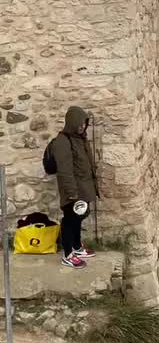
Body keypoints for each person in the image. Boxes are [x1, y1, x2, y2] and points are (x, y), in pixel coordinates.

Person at [49, 107, 98, 269]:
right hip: (73, 190)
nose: (82, 126)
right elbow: (64, 170)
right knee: (70, 220)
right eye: (80, 123)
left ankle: (77, 247)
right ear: (72, 122)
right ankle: (68, 254)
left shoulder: (79, 138)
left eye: (84, 123)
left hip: (83, 188)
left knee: (80, 216)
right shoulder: (63, 141)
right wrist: (72, 193)